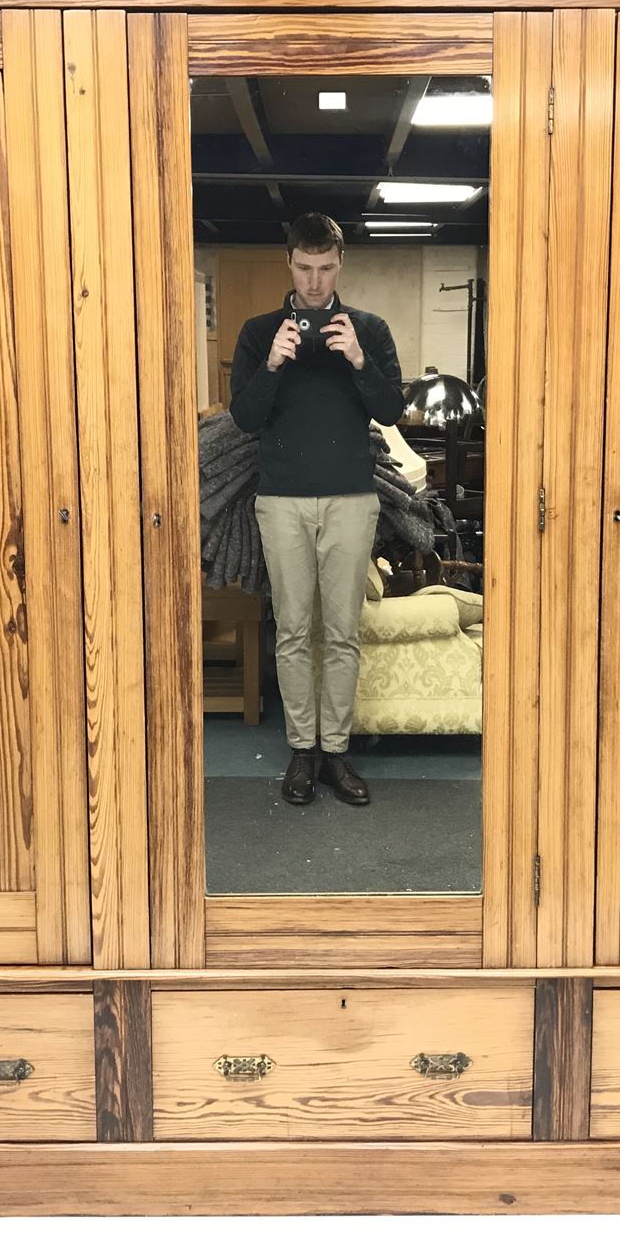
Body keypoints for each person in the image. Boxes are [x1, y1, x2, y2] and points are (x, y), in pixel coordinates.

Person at [228, 213, 405, 807]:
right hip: (281, 501)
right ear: (289, 264)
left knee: (341, 632)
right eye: (304, 268)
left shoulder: (370, 329)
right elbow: (246, 419)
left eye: (325, 268)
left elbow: (390, 411)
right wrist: (273, 365)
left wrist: (358, 359)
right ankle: (302, 751)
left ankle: (336, 752)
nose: (314, 282)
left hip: (352, 499)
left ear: (340, 264)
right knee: (294, 630)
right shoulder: (259, 332)